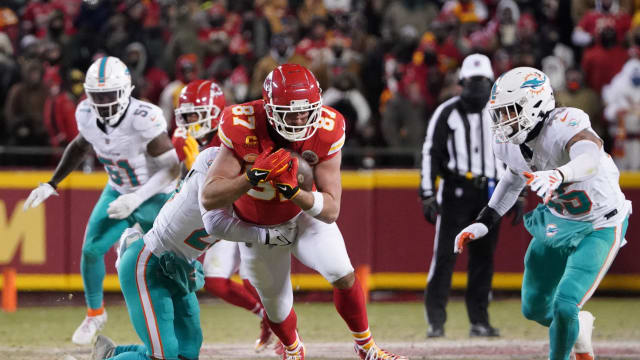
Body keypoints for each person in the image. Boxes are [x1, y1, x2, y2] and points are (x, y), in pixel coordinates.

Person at [200, 64, 406, 360]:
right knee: (275, 304)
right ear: (269, 108)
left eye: (305, 110)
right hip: (258, 228)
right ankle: (294, 349)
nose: (299, 119)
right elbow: (209, 196)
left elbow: (332, 209)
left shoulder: (327, 127)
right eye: (289, 112)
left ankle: (366, 347)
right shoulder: (242, 123)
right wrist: (253, 176)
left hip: (303, 216)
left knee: (342, 273)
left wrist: (295, 193)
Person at [455, 67, 631, 360]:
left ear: (535, 104)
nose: (503, 121)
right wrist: (484, 221)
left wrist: (560, 175)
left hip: (599, 223)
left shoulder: (565, 122)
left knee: (565, 304)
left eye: (510, 111)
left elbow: (591, 156)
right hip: (557, 222)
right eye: (499, 113)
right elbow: (513, 181)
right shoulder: (509, 145)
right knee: (534, 307)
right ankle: (578, 331)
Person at [22, 56, 181, 345]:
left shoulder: (143, 118)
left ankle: (180, 311)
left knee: (173, 260)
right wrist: (52, 182)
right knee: (92, 249)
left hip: (155, 194)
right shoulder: (85, 113)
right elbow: (80, 145)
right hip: (117, 189)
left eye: (110, 94)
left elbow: (173, 168)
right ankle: (95, 313)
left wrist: (136, 199)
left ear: (126, 91)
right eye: (98, 95)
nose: (104, 101)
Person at [88, 146, 296, 360]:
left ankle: (112, 353)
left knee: (186, 353)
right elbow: (217, 224)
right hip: (149, 263)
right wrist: (266, 233)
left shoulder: (246, 185)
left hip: (180, 267)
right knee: (163, 357)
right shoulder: (211, 164)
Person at [420, 54, 520, 338]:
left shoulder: (502, 112)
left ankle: (479, 320)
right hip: (456, 190)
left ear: (491, 83)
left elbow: (516, 153)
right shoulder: (447, 112)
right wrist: (427, 193)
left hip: (492, 191)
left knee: (484, 259)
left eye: (482, 81)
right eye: (472, 82)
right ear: (461, 83)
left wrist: (518, 195)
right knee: (445, 257)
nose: (476, 87)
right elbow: (431, 153)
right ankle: (436, 321)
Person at [171, 79, 274, 352]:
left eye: (195, 115)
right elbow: (184, 184)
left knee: (254, 278)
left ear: (215, 112)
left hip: (248, 208)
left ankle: (283, 328)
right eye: (186, 116)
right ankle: (267, 317)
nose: (190, 121)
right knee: (216, 281)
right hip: (221, 215)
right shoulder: (186, 141)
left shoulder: (234, 130)